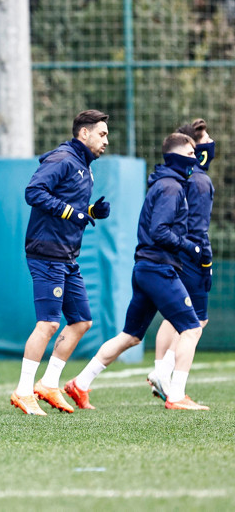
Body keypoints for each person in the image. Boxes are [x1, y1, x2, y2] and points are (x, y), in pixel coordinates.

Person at [65, 133, 208, 410]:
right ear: (177, 157)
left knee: (130, 336)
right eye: (191, 155)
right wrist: (190, 247)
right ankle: (176, 396)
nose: (196, 159)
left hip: (146, 267)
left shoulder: (166, 183)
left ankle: (79, 383)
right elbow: (160, 231)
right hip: (157, 268)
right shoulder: (171, 187)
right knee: (191, 328)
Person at [10, 110, 110, 416]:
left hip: (67, 255)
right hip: (46, 253)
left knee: (81, 321)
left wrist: (91, 211)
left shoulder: (84, 166)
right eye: (102, 134)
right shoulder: (63, 158)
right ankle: (23, 391)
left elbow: (72, 205)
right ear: (84, 134)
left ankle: (48, 384)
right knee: (49, 323)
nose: (106, 140)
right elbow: (33, 192)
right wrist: (71, 212)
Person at [147, 119, 215, 400]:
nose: (210, 145)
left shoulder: (173, 178)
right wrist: (205, 260)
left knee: (174, 317)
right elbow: (196, 227)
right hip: (191, 254)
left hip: (174, 253)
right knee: (196, 322)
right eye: (205, 141)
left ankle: (159, 373)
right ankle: (165, 376)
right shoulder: (198, 180)